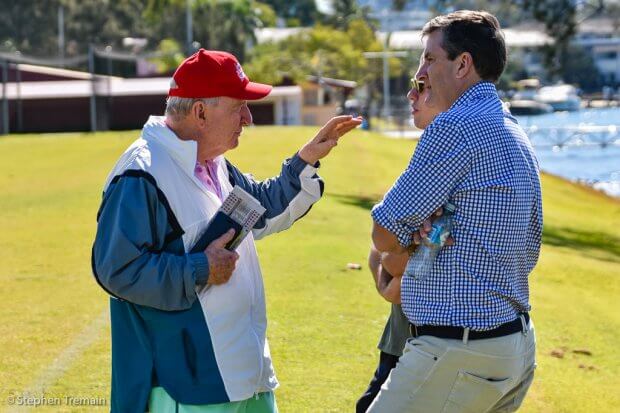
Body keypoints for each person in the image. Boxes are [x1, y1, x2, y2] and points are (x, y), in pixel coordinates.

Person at [91, 49, 361, 413]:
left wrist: (306, 160)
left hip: (245, 372)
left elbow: (261, 211)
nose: (248, 118)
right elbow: (118, 270)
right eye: (239, 107)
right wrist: (199, 268)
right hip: (187, 385)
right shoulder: (141, 174)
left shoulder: (213, 162)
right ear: (200, 112)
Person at [369, 10, 542, 413]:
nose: (420, 71)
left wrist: (407, 237)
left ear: (463, 64)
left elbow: (384, 232)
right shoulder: (512, 128)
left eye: (429, 58)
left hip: (459, 348)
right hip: (514, 346)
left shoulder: (455, 125)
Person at [356, 78, 443, 413]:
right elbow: (378, 252)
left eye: (422, 87)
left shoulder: (448, 189)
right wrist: (393, 260)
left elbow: (394, 277)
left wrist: (392, 258)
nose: (412, 96)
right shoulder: (425, 173)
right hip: (398, 340)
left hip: (427, 345)